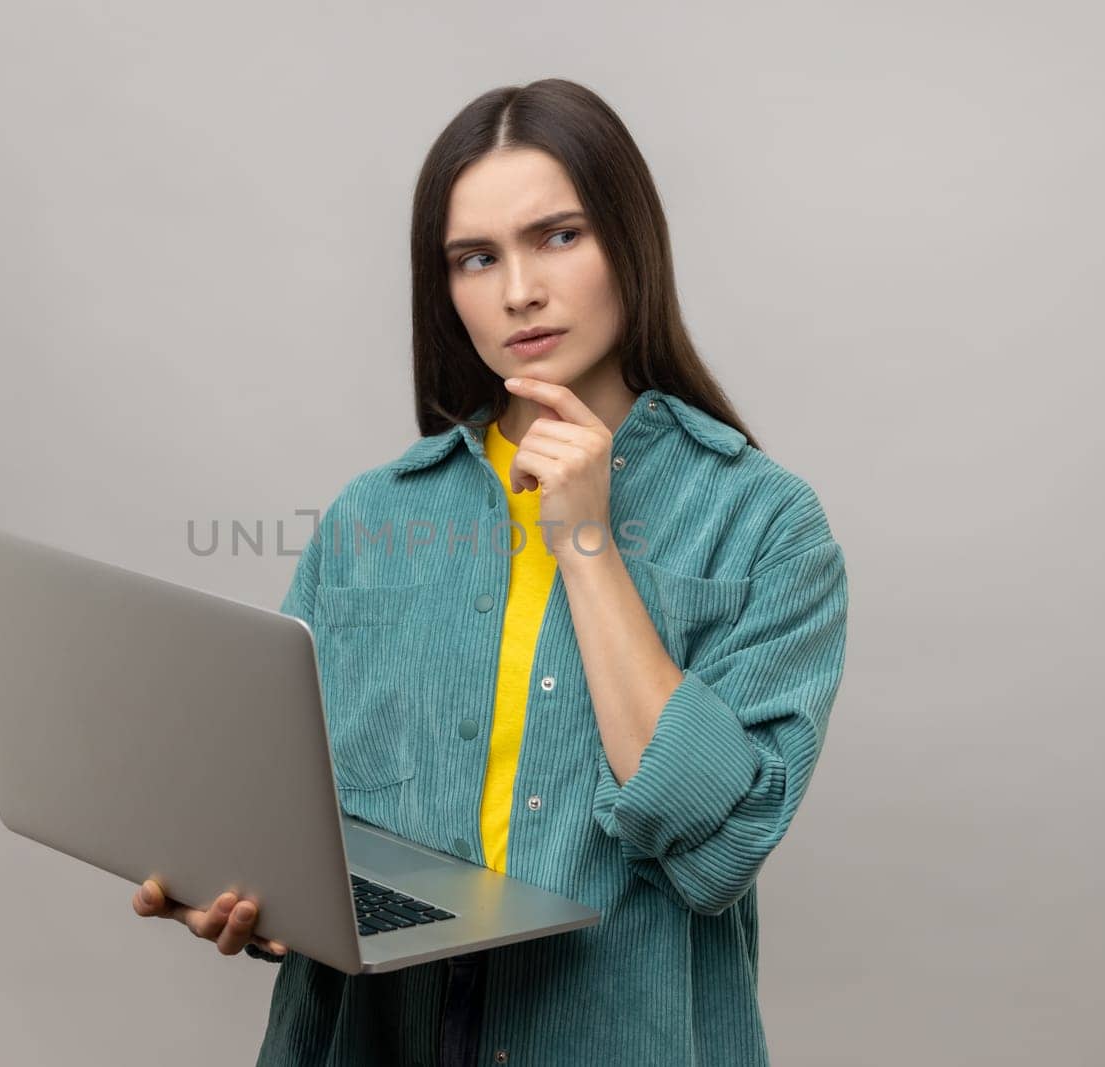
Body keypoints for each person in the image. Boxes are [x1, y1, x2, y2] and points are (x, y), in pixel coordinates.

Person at [132, 77, 850, 1066]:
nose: (519, 290)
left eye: (558, 235)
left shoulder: (761, 521)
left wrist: (588, 541)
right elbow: (292, 816)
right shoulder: (372, 516)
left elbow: (718, 847)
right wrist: (248, 892)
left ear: (629, 240)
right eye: (476, 257)